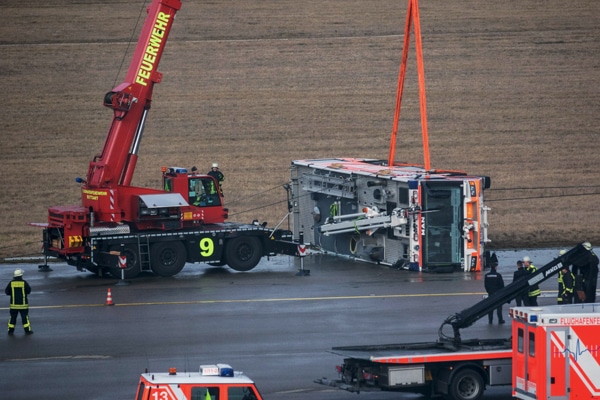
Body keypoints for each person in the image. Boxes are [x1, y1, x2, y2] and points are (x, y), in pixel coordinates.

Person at [5, 269, 33, 335]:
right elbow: (28, 291)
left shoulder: (11, 283)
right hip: (23, 305)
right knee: (25, 318)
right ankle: (27, 331)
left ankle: (10, 331)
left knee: (12, 318)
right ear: (21, 275)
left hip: (13, 305)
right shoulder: (24, 283)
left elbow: (7, 292)